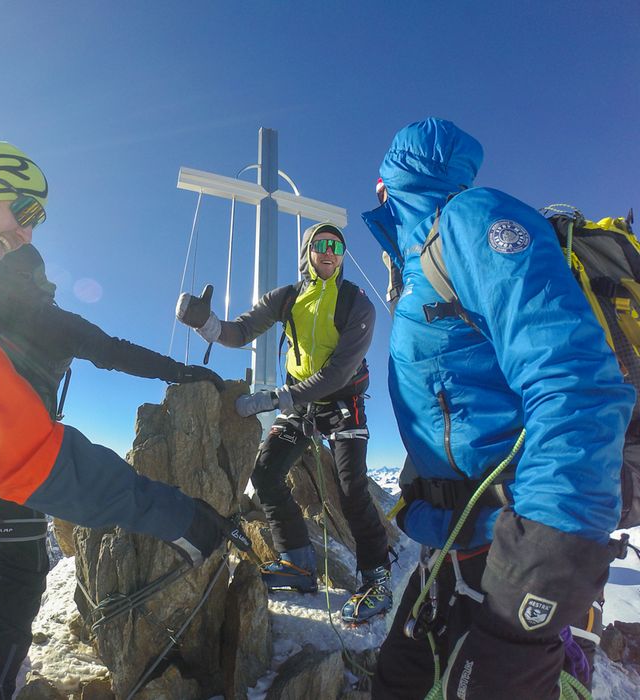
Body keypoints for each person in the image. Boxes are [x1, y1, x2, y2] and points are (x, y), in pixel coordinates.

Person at [0, 142, 243, 699]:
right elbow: (36, 421)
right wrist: (175, 509)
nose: (30, 233)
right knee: (21, 577)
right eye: (25, 212)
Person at [362, 118, 633, 699]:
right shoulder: (418, 268)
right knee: (396, 682)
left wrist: (533, 587)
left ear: (393, 179)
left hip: (511, 548)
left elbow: (576, 383)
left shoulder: (469, 222)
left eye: (380, 180)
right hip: (453, 548)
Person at [0, 244, 223, 698]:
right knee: (19, 576)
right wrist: (179, 372)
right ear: (39, 277)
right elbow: (113, 351)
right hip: (14, 462)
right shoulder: (48, 317)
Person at [176, 222, 393, 624]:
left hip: (342, 401)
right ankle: (298, 563)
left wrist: (275, 398)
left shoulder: (357, 302)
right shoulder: (288, 297)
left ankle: (376, 578)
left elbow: (339, 373)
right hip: (301, 404)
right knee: (266, 472)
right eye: (321, 245)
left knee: (351, 488)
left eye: (337, 246)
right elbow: (240, 331)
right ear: (307, 251)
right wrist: (204, 323)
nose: (329, 252)